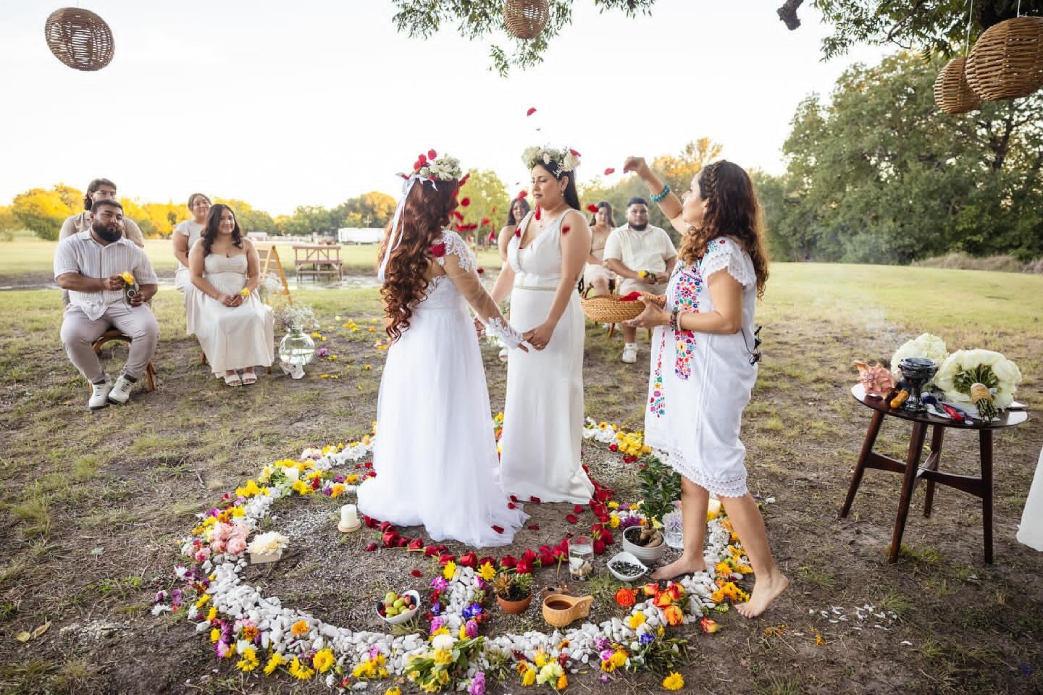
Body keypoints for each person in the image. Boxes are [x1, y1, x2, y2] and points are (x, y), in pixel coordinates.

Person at [624, 156, 787, 618]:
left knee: (721, 472)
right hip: (690, 370)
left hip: (712, 376)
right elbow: (676, 212)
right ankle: (692, 554)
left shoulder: (723, 253)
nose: (687, 199)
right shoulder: (705, 242)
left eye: (694, 191)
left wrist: (668, 317)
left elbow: (727, 319)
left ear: (713, 204)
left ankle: (770, 576)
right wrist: (646, 174)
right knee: (691, 464)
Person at [357, 151, 528, 547]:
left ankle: (416, 488)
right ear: (443, 198)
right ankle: (445, 494)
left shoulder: (400, 240)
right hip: (445, 341)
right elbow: (479, 298)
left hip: (414, 340)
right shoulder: (446, 242)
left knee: (418, 411)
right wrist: (512, 337)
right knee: (447, 411)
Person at [490, 146, 595, 504]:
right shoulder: (527, 220)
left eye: (543, 180)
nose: (535, 187)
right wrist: (487, 311)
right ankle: (521, 467)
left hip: (556, 316)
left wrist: (550, 322)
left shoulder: (573, 221)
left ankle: (555, 471)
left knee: (554, 389)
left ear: (563, 181)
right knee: (523, 389)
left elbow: (570, 278)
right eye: (532, 180)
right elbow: (510, 269)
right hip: (521, 316)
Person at [54, 199, 159, 409]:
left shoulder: (132, 249)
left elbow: (151, 283)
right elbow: (64, 279)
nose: (115, 221)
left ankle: (127, 380)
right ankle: (100, 382)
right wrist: (102, 283)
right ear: (91, 217)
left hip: (125, 306)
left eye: (119, 217)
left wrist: (142, 295)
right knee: (71, 335)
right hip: (84, 307)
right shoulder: (70, 245)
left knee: (149, 328)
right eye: (108, 215)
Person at [189, 204, 274, 386]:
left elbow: (254, 276)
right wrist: (219, 296)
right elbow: (195, 277)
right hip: (213, 294)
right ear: (212, 221)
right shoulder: (201, 245)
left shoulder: (246, 244)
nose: (227, 222)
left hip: (243, 292)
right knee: (223, 320)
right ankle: (228, 367)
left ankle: (249, 367)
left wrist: (244, 294)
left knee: (253, 316)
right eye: (222, 218)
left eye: (230, 218)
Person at [603, 197, 677, 363]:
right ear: (627, 214)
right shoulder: (618, 234)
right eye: (634, 211)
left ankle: (669, 345)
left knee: (678, 298)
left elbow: (672, 258)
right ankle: (630, 346)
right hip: (632, 280)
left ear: (647, 213)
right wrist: (636, 276)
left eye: (643, 211)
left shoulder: (660, 233)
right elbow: (611, 262)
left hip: (661, 280)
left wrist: (668, 273)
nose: (639, 215)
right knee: (630, 298)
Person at [59, 178, 146, 306]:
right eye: (103, 193)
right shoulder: (73, 222)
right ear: (90, 194)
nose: (109, 197)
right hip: (85, 274)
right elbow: (65, 252)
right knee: (68, 290)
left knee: (141, 287)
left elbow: (137, 251)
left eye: (112, 194)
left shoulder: (127, 223)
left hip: (120, 273)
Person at [172, 192, 211, 334]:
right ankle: (196, 328)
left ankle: (216, 321)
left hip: (213, 269)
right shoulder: (185, 227)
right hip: (188, 270)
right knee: (193, 286)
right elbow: (179, 252)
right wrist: (196, 269)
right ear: (191, 208)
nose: (202, 205)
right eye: (197, 203)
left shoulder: (217, 225)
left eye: (205, 201)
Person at [583, 201, 615, 297]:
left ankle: (623, 309)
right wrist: (603, 263)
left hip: (615, 266)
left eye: (606, 214)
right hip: (595, 266)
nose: (603, 216)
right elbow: (585, 255)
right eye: (600, 213)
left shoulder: (616, 232)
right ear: (595, 214)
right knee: (600, 280)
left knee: (630, 278)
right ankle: (604, 310)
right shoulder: (589, 231)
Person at [497, 196, 531, 263]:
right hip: (511, 269)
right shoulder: (507, 230)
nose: (519, 210)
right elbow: (503, 254)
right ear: (512, 212)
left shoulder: (533, 228)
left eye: (521, 207)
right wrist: (516, 268)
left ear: (526, 209)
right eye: (515, 208)